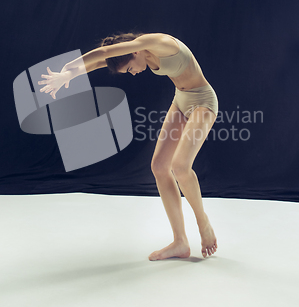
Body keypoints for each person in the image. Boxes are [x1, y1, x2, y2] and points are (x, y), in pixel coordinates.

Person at [38, 32, 218, 260]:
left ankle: (203, 223)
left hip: (203, 100)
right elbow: (98, 62)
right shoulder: (137, 52)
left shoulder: (156, 42)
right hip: (181, 101)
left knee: (181, 166)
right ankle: (180, 242)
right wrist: (69, 77)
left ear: (133, 52)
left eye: (130, 69)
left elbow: (103, 52)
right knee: (160, 166)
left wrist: (66, 67)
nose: (133, 74)